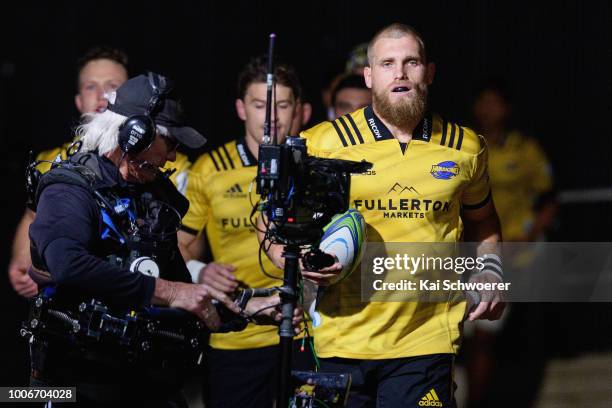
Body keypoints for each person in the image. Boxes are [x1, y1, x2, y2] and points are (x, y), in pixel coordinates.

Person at [263, 23, 506, 407]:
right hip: (341, 341)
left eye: (412, 62)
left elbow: (484, 220)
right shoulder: (322, 143)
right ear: (369, 76)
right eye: (388, 63)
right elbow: (272, 222)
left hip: (426, 342)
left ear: (429, 72)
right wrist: (295, 262)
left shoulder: (466, 147)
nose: (401, 73)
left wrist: (491, 268)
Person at [27, 73, 296, 406]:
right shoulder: (69, 190)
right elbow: (67, 265)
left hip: (147, 382)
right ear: (136, 136)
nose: (172, 157)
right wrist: (168, 292)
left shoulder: (152, 198)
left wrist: (244, 306)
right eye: (171, 144)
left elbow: (182, 288)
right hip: (73, 384)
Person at [177, 56, 315, 408]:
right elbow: (179, 247)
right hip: (236, 337)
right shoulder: (211, 169)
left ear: (300, 111)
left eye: (282, 105)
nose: (270, 116)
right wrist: (201, 271)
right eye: (259, 105)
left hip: (308, 334)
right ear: (241, 109)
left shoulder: (317, 167)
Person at [8, 46, 191, 299]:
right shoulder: (59, 169)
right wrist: (26, 261)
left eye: (112, 86)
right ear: (78, 99)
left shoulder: (156, 176)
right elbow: (37, 222)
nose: (102, 95)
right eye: (91, 86)